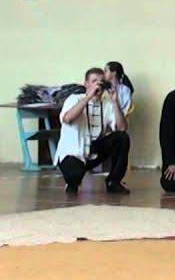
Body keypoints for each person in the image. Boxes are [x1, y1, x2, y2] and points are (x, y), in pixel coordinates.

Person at [56, 67, 131, 195]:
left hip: (94, 149)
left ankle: (113, 182)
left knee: (122, 137)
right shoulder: (74, 99)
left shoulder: (107, 104)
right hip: (73, 151)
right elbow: (67, 119)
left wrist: (115, 102)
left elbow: (122, 128)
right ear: (86, 83)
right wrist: (88, 97)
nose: (98, 85)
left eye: (101, 82)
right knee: (74, 176)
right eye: (94, 81)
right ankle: (72, 182)